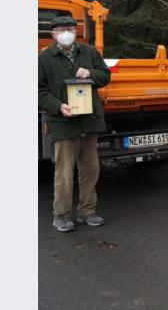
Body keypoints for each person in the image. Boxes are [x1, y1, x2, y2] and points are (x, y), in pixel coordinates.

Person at [39, 16, 111, 232]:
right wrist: (58, 106)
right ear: (53, 34)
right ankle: (61, 215)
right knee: (64, 172)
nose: (67, 33)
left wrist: (91, 72)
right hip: (63, 122)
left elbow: (105, 75)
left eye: (70, 29)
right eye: (61, 30)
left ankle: (87, 211)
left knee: (90, 169)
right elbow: (38, 91)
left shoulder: (89, 52)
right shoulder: (44, 58)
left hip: (89, 120)